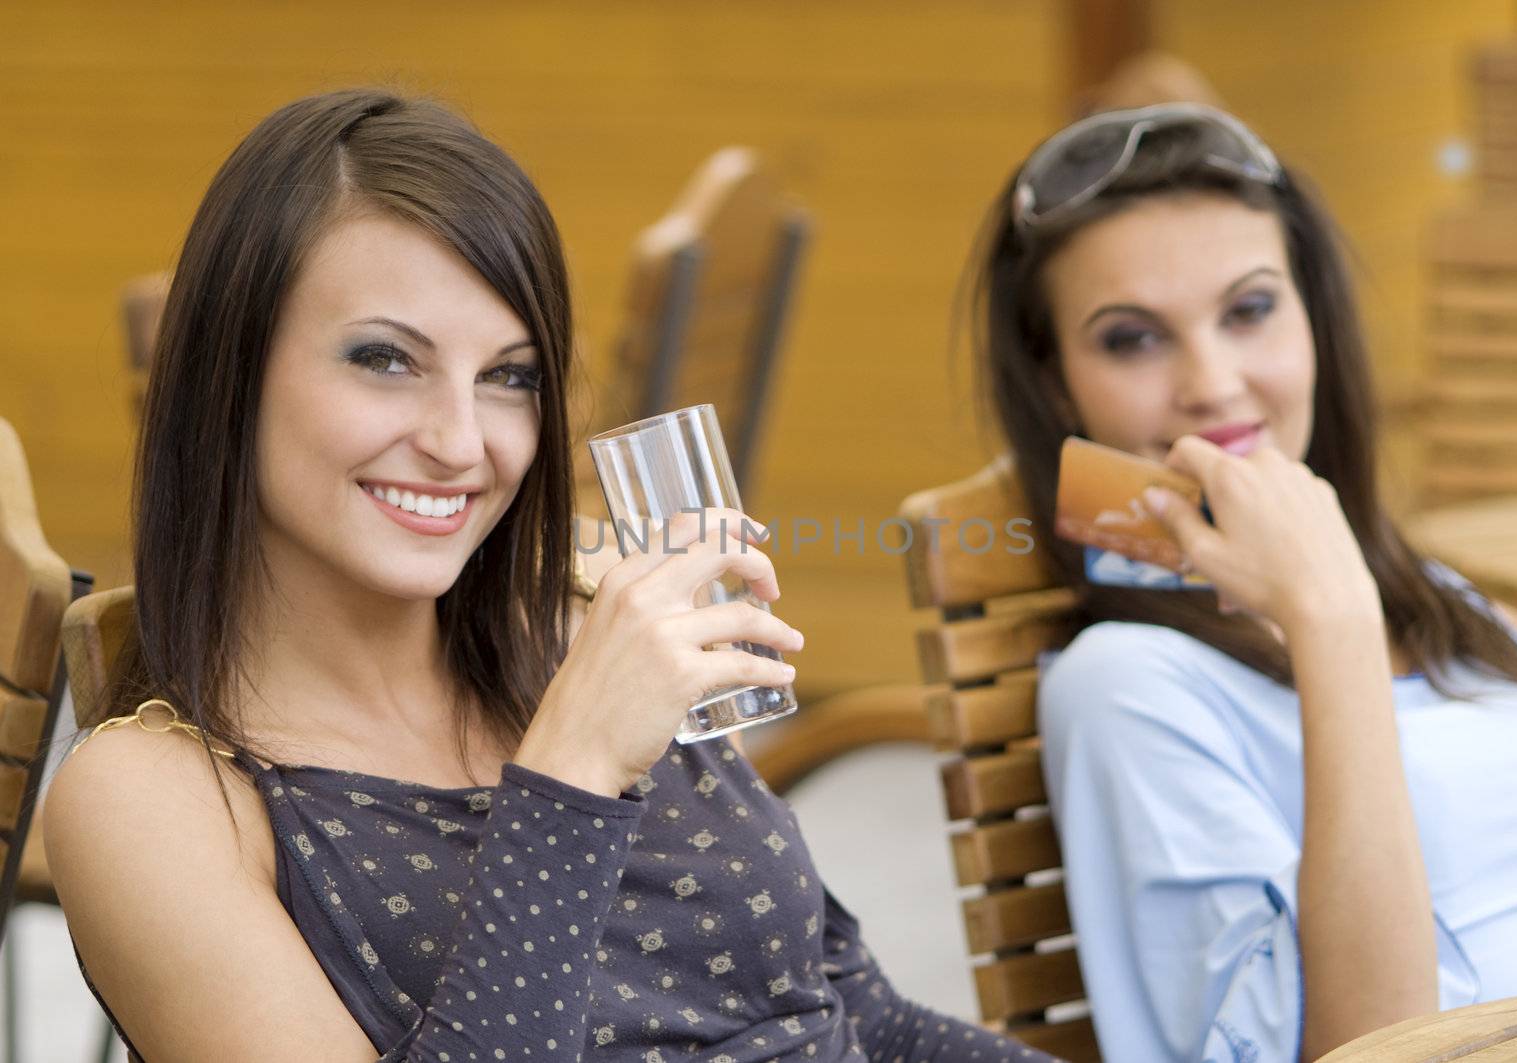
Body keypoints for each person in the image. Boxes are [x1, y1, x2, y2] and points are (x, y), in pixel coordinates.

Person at [45, 88, 1048, 1063]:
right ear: (232, 371)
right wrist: (569, 771)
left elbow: (855, 1012)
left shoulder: (583, 626)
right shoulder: (153, 800)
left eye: (510, 376)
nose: (460, 442)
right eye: (385, 359)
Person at [968, 102, 1517, 1062]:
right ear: (1057, 387)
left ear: (1314, 321)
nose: (1214, 382)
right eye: (1132, 338)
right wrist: (1329, 618)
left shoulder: (1434, 600)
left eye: (1251, 309)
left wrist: (1347, 592)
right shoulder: (1129, 682)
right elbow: (1376, 1045)